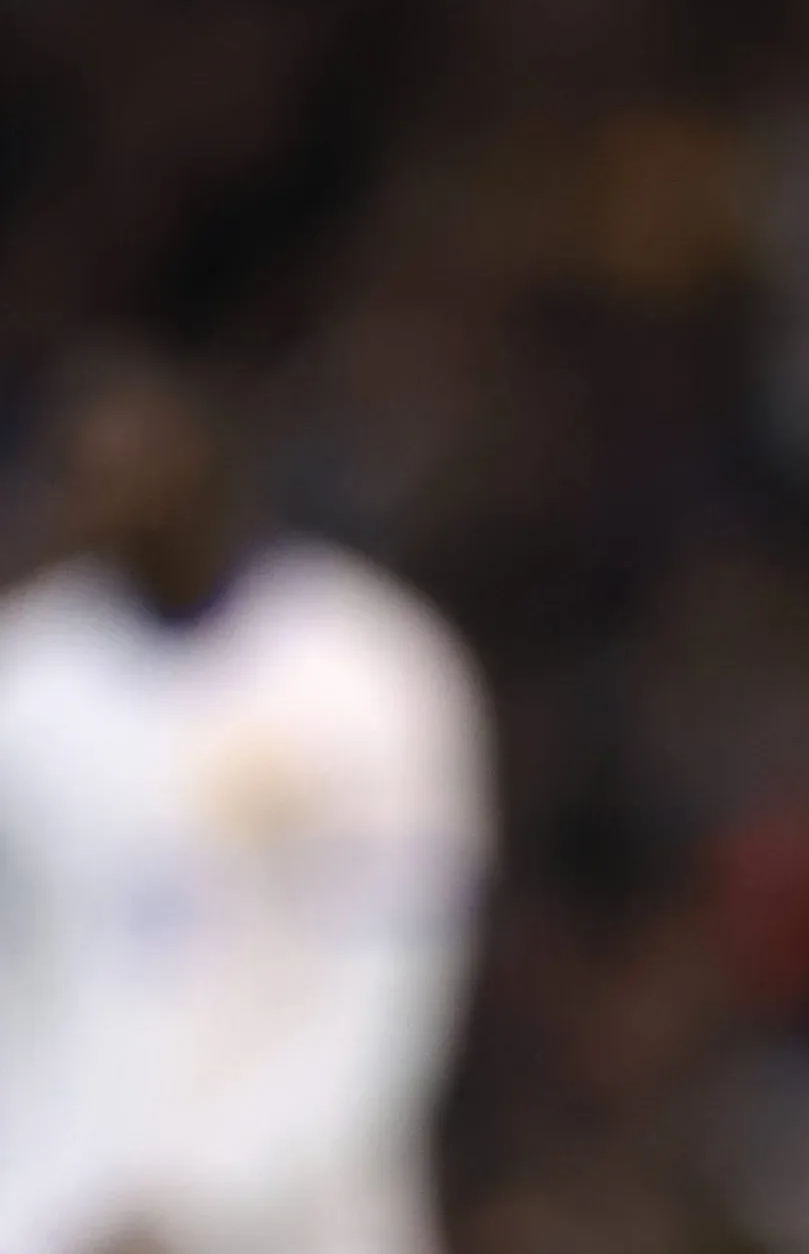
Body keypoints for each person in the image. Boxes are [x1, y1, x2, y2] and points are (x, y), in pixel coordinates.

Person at [0, 349, 490, 1254]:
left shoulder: (367, 667)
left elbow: (390, 982)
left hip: (299, 1218)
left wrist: (203, 1201)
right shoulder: (30, 677)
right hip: (61, 1203)